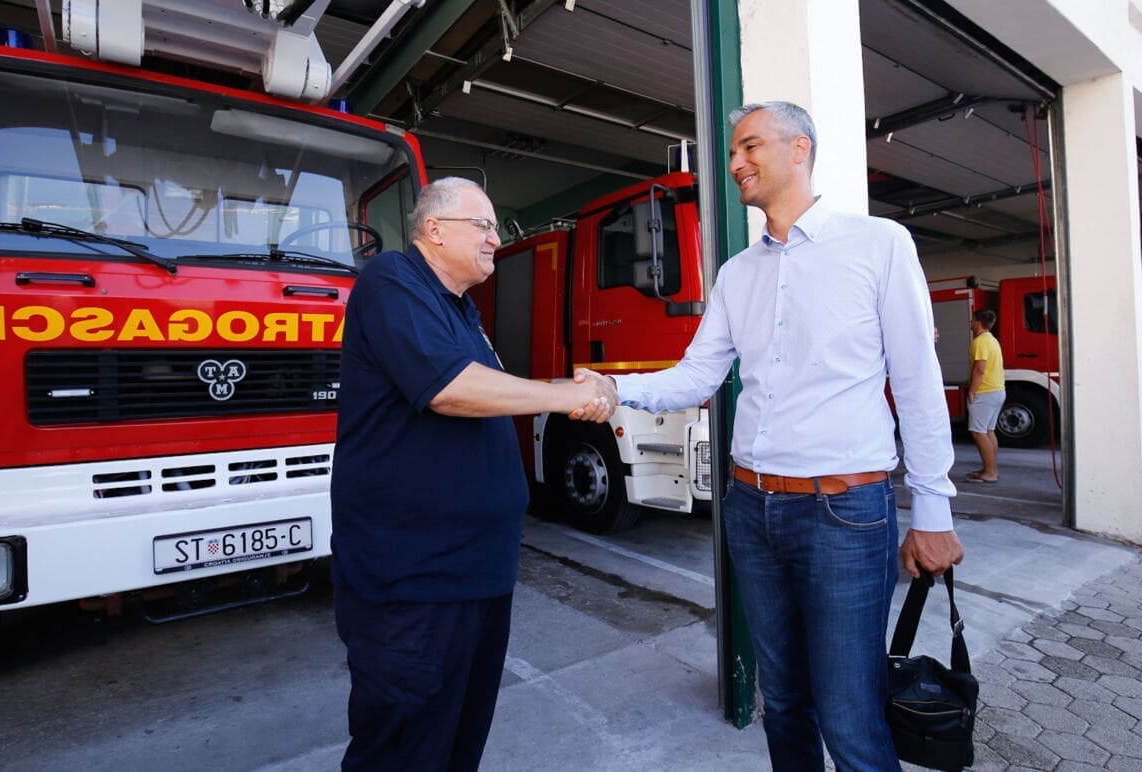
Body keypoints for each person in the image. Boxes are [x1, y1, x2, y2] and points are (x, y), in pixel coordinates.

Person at [600, 102, 964, 771]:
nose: (735, 162)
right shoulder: (737, 273)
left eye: (750, 146)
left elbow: (916, 380)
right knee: (786, 701)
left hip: (843, 513)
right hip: (750, 508)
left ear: (801, 148)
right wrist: (610, 389)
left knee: (849, 713)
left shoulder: (878, 245)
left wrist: (933, 510)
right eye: (733, 151)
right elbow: (697, 375)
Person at [329, 177, 616, 771]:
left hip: (475, 577)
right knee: (403, 750)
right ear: (433, 230)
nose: (495, 239)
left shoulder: (461, 311)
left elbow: (490, 390)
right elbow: (450, 389)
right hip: (414, 585)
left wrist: (580, 388)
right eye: (482, 225)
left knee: (455, 745)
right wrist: (567, 395)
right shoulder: (392, 281)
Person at [964, 308, 1006, 483]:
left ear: (978, 322)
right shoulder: (992, 340)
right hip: (997, 390)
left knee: (978, 432)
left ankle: (990, 473)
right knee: (989, 431)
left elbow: (980, 369)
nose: (971, 323)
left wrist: (972, 391)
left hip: (984, 392)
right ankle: (991, 469)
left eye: (972, 320)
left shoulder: (979, 342)